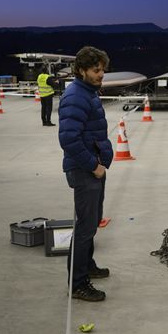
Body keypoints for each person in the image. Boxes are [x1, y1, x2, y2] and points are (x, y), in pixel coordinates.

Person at [58, 46, 113, 302]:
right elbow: (69, 139)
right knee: (85, 226)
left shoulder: (88, 92)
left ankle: (87, 265)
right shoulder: (76, 96)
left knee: (93, 221)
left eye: (102, 69)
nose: (101, 74)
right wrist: (93, 165)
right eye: (96, 70)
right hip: (85, 170)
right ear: (81, 70)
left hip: (94, 167)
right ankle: (77, 284)